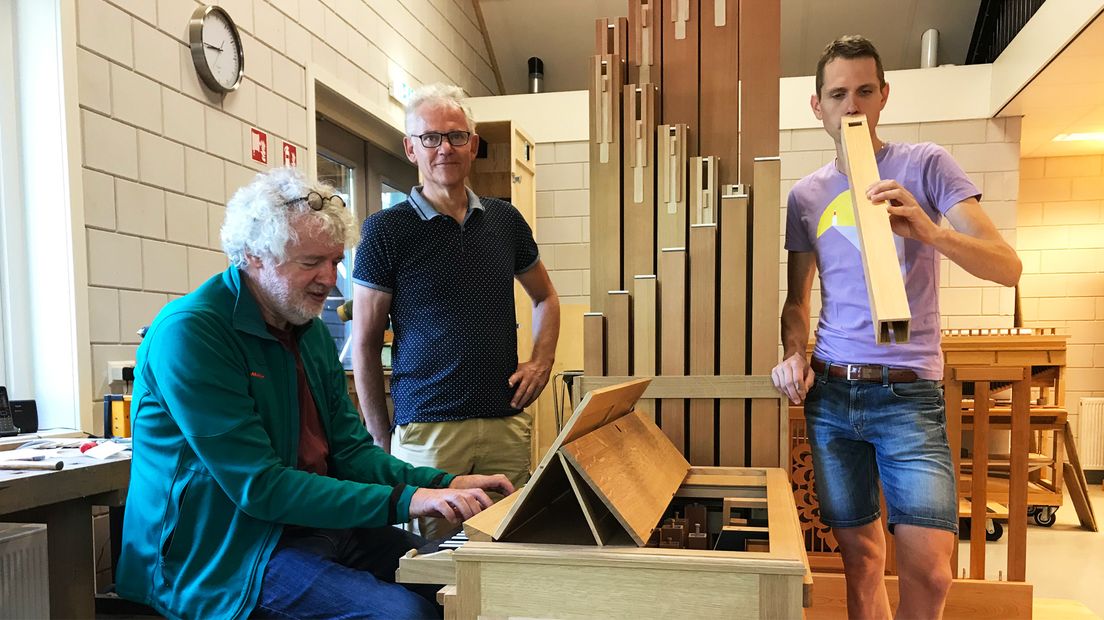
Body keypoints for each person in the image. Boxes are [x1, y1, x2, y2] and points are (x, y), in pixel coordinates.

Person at [116, 167, 514, 620]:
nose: (331, 280)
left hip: (310, 526)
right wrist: (407, 500)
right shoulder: (192, 334)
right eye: (311, 263)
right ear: (254, 256)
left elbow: (350, 453)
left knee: (460, 585)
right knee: (402, 616)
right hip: (228, 553)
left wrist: (442, 483)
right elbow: (260, 487)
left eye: (335, 261)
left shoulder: (305, 331)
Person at [771, 35, 1021, 620]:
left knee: (931, 573)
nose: (851, 106)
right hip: (832, 393)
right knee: (860, 561)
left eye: (864, 91)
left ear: (883, 95)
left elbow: (1006, 267)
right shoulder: (806, 196)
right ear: (818, 107)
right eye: (838, 94)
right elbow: (796, 302)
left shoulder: (926, 165)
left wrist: (930, 232)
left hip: (908, 393)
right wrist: (794, 352)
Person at [352, 84, 560, 539]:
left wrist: (542, 361)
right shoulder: (384, 231)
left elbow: (545, 297)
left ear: (474, 144)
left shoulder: (506, 221)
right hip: (428, 429)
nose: (444, 147)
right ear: (411, 148)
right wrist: (377, 438)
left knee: (509, 546)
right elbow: (365, 345)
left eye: (456, 136)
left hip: (504, 420)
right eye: (430, 138)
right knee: (430, 557)